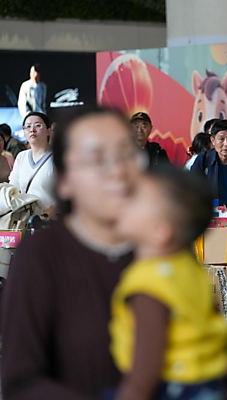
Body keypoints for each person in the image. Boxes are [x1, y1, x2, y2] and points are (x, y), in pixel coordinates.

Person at [1, 107, 140, 399]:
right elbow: (20, 375)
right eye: (94, 159)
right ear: (65, 180)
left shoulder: (155, 248)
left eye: (122, 155)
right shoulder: (37, 258)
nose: (113, 171)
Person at [108, 166, 227, 400]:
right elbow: (212, 318)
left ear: (161, 232)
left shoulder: (148, 283)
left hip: (173, 388)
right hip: (208, 383)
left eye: (136, 200)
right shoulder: (189, 268)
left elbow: (147, 363)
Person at [9, 112, 55, 212]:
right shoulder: (22, 156)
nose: (32, 130)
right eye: (28, 126)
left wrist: (49, 213)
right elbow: (13, 187)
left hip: (50, 218)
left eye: (38, 125)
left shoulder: (59, 157)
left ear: (48, 130)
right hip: (25, 217)